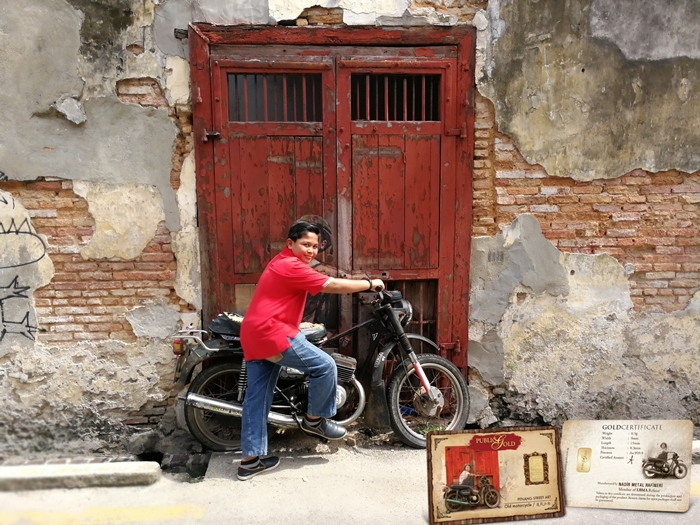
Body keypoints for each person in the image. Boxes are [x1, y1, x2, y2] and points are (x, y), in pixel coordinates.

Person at [237, 220, 385, 480]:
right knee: (325, 366)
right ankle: (315, 420)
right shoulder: (290, 265)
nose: (311, 251)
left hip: (256, 333)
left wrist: (296, 322)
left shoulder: (281, 263)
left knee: (257, 400)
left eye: (315, 246)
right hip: (272, 333)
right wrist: (369, 283)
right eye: (305, 244)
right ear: (290, 243)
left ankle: (250, 461)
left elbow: (278, 299)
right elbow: (333, 285)